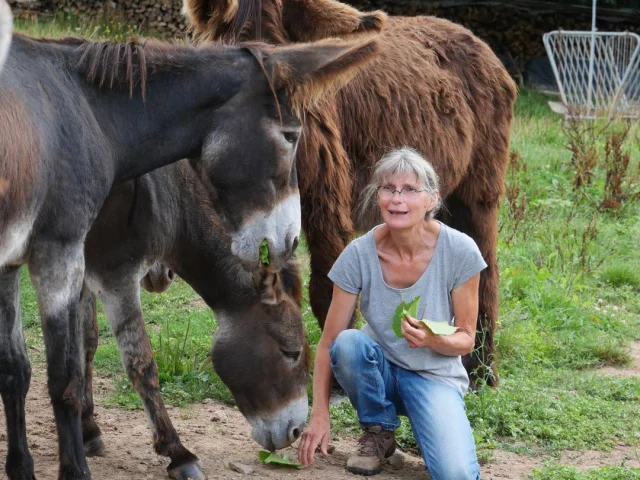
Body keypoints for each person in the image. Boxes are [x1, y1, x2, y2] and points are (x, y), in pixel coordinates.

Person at [297, 147, 485, 479]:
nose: (397, 198)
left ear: (432, 200)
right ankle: (379, 430)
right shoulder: (358, 254)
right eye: (389, 188)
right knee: (348, 344)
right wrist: (320, 414)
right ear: (378, 197)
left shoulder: (460, 251)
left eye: (410, 190)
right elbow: (328, 344)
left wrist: (433, 339)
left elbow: (467, 339)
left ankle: (431, 426)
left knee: (455, 473)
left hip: (433, 376)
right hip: (377, 372)